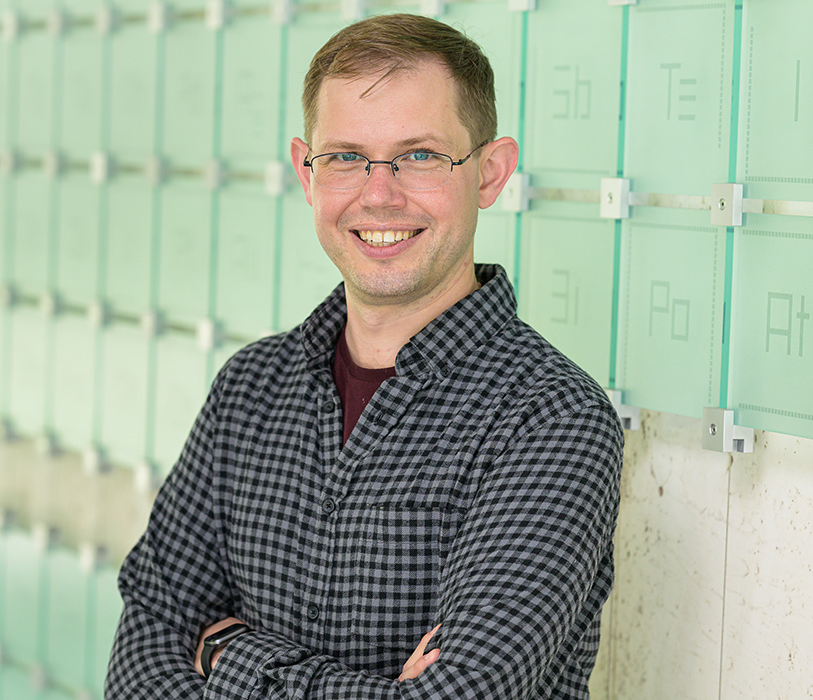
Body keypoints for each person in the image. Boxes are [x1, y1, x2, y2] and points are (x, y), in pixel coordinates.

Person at [106, 13, 622, 699]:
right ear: (306, 172)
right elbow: (145, 646)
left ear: (490, 174)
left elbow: (461, 695)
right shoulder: (250, 389)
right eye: (346, 156)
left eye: (420, 156)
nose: (379, 193)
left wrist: (226, 655)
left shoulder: (552, 421)